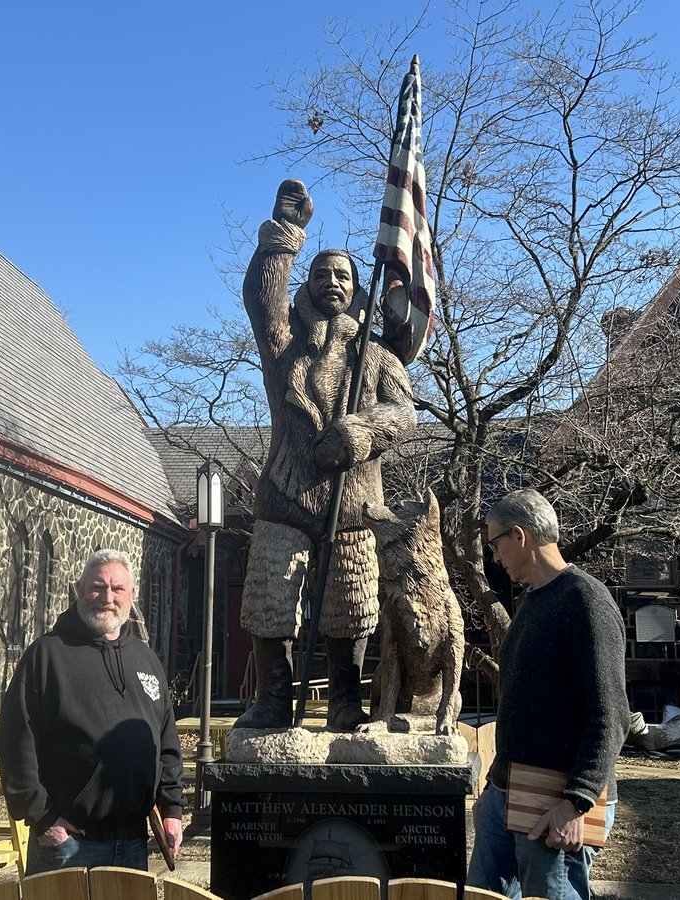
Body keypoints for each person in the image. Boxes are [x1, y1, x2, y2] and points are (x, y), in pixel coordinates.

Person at [234, 179, 417, 732]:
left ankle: (344, 701)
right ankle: (271, 699)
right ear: (307, 286)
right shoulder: (283, 343)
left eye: (342, 275)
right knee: (271, 597)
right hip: (287, 496)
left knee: (349, 603)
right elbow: (262, 299)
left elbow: (405, 415)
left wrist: (359, 434)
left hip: (355, 502)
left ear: (357, 289)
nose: (331, 282)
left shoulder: (377, 355)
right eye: (321, 274)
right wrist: (285, 234)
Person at [467, 489, 629, 900]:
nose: (495, 557)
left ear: (519, 536)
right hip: (506, 796)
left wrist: (577, 803)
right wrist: (494, 788)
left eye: (494, 544)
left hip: (555, 804)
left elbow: (610, 715)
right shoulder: (532, 602)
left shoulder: (585, 601)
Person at [0, 549, 183, 874]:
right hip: (69, 845)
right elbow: (14, 742)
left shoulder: (146, 659)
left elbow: (166, 742)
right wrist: (42, 818)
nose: (107, 597)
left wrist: (172, 810)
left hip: (133, 843)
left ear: (132, 595)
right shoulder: (46, 656)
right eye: (97, 587)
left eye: (117, 588)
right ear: (80, 589)